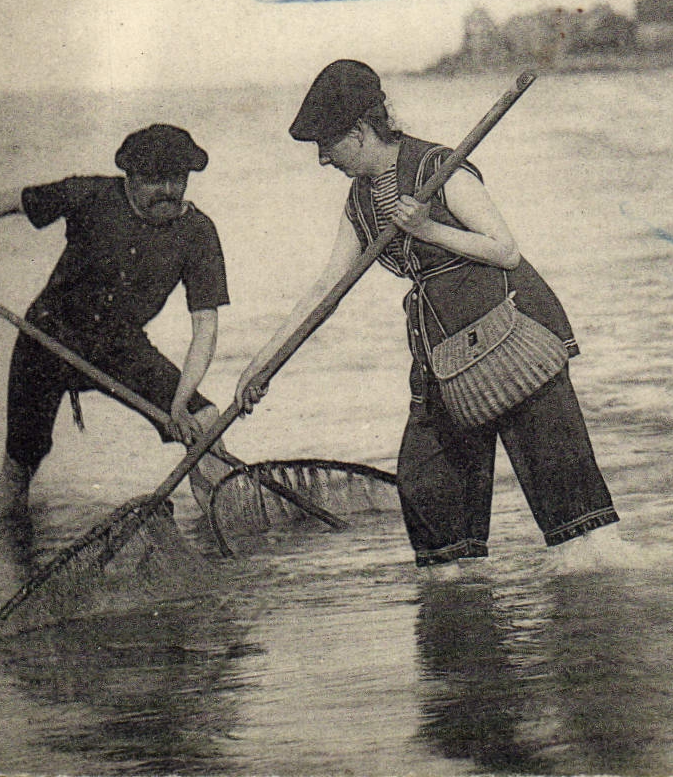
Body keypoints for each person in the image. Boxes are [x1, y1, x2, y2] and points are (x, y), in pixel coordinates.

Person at [235, 61, 623, 577]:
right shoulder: (361, 201)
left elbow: (506, 251)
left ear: (360, 132)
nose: (323, 159)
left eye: (327, 145)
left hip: (512, 336)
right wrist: (261, 365)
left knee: (570, 505)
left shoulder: (439, 167)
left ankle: (601, 606)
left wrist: (427, 229)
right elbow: (327, 289)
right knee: (429, 488)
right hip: (442, 348)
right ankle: (461, 608)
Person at [0, 124, 233, 519]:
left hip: (118, 346)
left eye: (175, 179)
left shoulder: (198, 233)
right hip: (46, 339)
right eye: (152, 180)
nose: (166, 190)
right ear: (128, 178)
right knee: (19, 464)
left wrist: (180, 401)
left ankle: (225, 531)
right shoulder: (91, 195)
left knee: (204, 423)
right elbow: (13, 201)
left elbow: (206, 328)